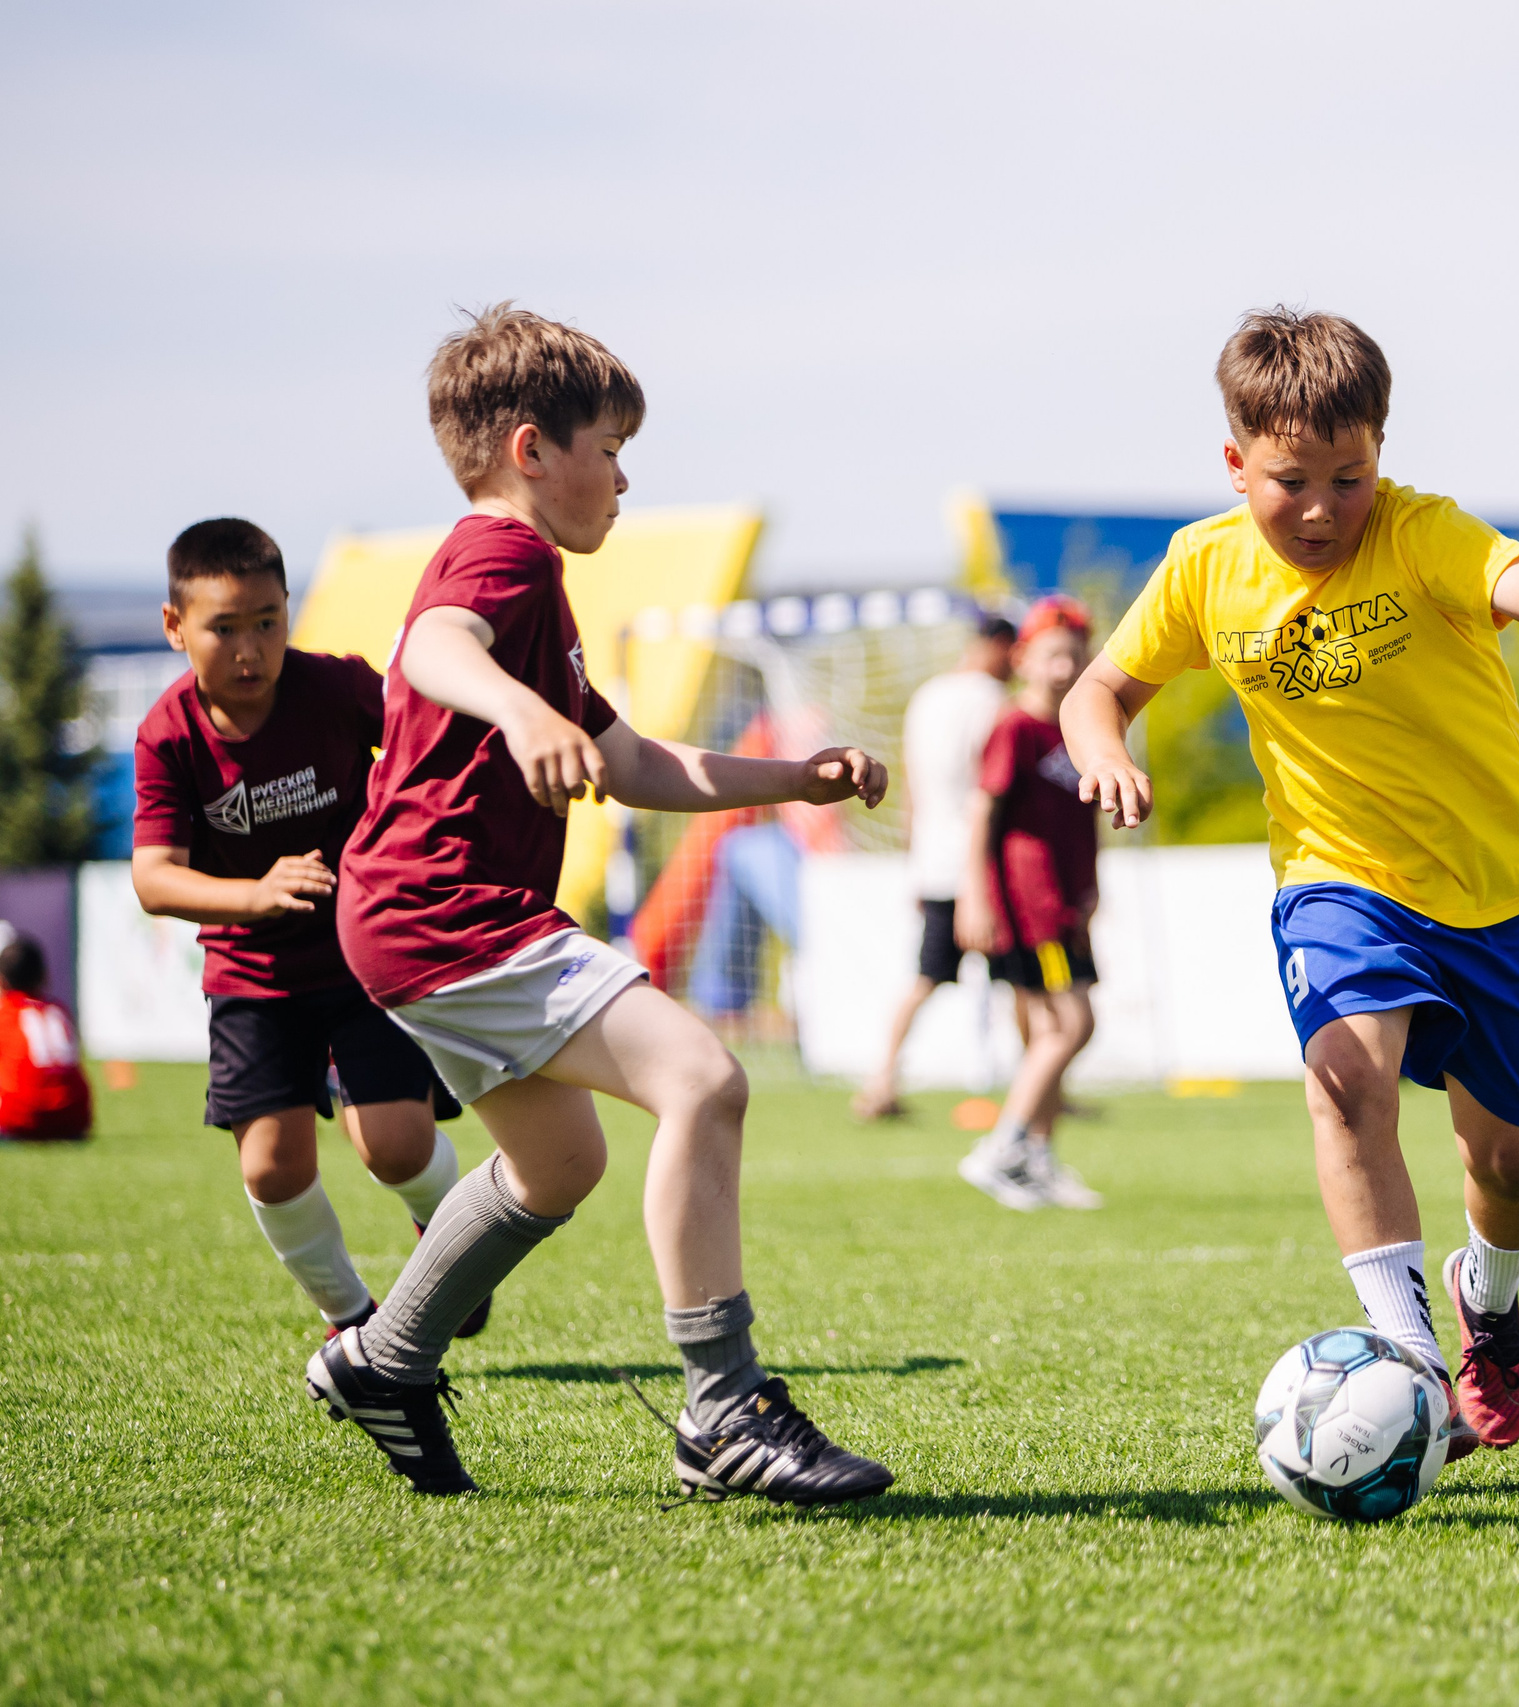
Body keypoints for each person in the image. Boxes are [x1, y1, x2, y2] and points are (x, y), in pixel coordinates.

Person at [305, 304, 895, 1504]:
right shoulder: (501, 557)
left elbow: (630, 763)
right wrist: (517, 712)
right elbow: (429, 649)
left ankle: (384, 1358)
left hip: (412, 916)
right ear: (532, 450)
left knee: (558, 1163)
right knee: (703, 1079)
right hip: (445, 906)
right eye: (610, 450)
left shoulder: (535, 591)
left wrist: (790, 778)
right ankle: (724, 1412)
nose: (624, 481)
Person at [1062, 308, 1519, 1455]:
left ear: (1382, 452)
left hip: (1491, 889)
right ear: (1234, 464)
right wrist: (1103, 753)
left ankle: (1489, 1301)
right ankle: (1410, 1357)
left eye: (1350, 476)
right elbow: (1096, 693)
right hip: (1338, 880)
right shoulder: (1199, 567)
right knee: (1343, 1082)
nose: (1323, 508)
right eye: (1290, 481)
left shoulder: (1424, 535)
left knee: (1509, 1163)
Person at [132, 518, 477, 1337]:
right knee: (272, 1165)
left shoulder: (335, 687)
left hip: (364, 955)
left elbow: (428, 744)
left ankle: (455, 1248)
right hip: (252, 976)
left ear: (290, 611)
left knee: (394, 1143)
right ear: (175, 626)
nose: (249, 650)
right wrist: (254, 895)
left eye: (267, 622)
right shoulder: (166, 734)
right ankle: (354, 1324)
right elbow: (152, 877)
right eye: (224, 628)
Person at [955, 596, 1104, 1211]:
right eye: (1051, 656)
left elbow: (1085, 816)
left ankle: (1036, 1159)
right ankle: (1002, 1147)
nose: (1064, 668)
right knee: (1073, 1025)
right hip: (1029, 904)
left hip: (1067, 905)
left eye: (1074, 655)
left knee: (1049, 1031)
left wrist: (1092, 888)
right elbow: (984, 810)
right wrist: (974, 896)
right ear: (1023, 659)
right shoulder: (1014, 726)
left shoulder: (1080, 728)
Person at [855, 613, 1015, 1120]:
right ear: (997, 647)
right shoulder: (993, 702)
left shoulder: (927, 695)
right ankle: (1044, 1091)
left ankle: (880, 1080)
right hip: (983, 864)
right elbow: (994, 790)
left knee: (924, 979)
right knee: (1027, 983)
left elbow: (912, 787)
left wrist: (915, 861)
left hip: (934, 859)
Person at [0, 939, 92, 1141]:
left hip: (20, 1121)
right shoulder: (59, 1010)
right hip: (73, 1120)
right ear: (43, 975)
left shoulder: (6, 1012)